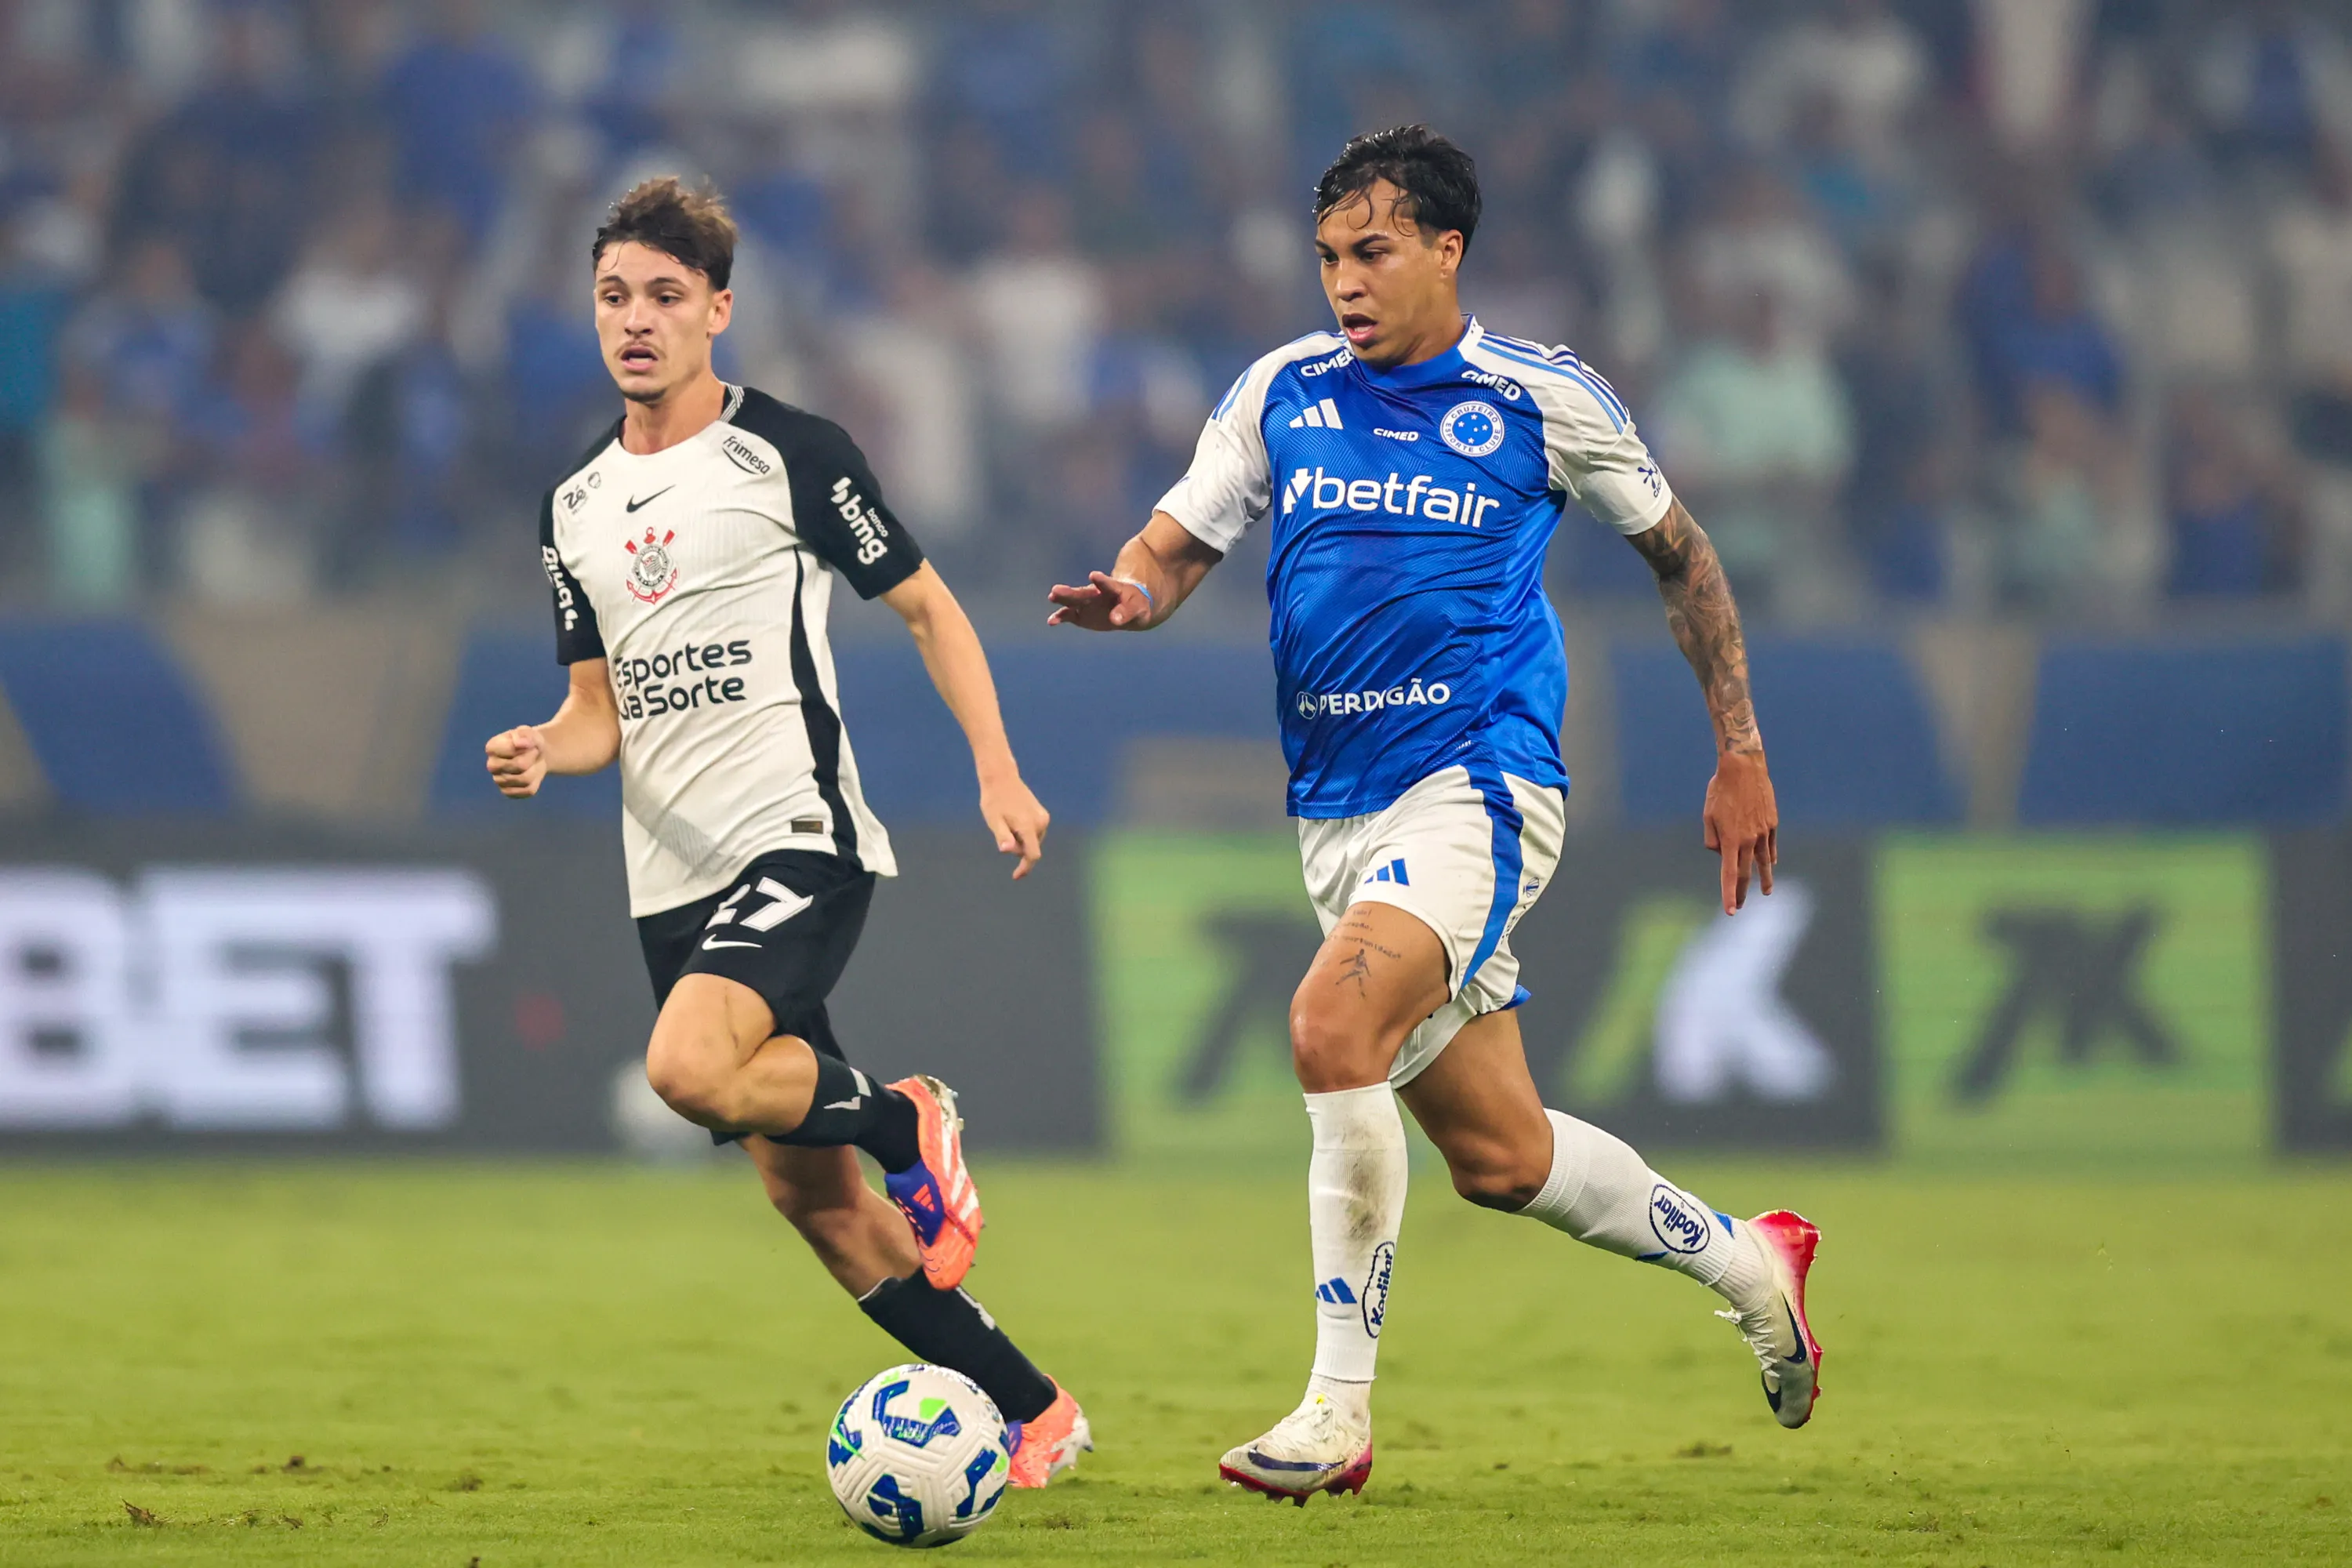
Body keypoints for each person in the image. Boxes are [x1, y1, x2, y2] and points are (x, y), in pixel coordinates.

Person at [1048, 126, 1821, 1503]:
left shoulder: (1539, 399)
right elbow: (1173, 546)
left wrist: (1741, 747)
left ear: (1447, 250)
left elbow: (1682, 557)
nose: (1344, 282)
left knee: (1327, 1024)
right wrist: (1133, 595)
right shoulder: (1282, 390)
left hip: (1478, 782)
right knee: (1501, 1157)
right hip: (1335, 811)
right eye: (1328, 258)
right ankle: (1752, 1262)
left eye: (1374, 252)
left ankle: (1334, 1415)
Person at [485, 177, 1088, 1486]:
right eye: (613, 296)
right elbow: (598, 712)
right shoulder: (574, 505)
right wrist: (547, 744)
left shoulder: (791, 453)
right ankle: (1036, 1411)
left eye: (664, 296)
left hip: (795, 834)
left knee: (686, 1069)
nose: (635, 320)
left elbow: (927, 608)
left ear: (718, 310)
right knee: (809, 1202)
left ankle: (903, 1120)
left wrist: (997, 768)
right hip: (670, 881)